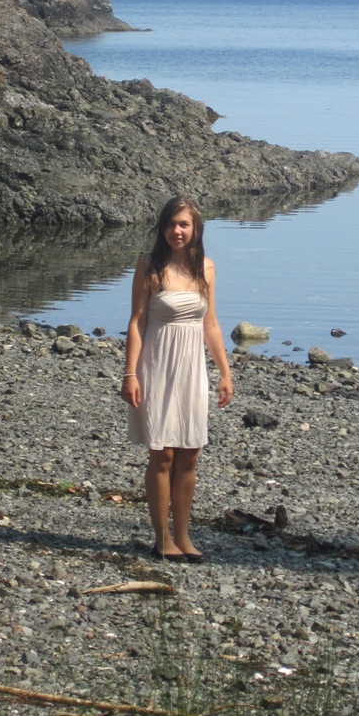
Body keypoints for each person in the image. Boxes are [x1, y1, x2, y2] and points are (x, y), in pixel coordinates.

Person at [121, 196, 233, 562]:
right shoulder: (149, 265)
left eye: (184, 224)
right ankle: (162, 538)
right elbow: (137, 322)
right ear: (162, 228)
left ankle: (184, 537)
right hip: (156, 364)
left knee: (190, 452)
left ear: (196, 228)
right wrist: (130, 373)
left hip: (191, 368)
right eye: (171, 224)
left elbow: (210, 325)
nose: (177, 231)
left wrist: (224, 372)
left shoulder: (206, 268)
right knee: (163, 452)